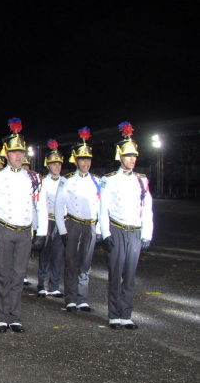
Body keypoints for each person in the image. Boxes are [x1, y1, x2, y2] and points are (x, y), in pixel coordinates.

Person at [0, 119, 47, 333]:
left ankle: (14, 315)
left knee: (19, 275)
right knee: (2, 274)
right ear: (7, 155)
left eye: (21, 153)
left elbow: (40, 206)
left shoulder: (34, 178)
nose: (19, 157)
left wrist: (42, 232)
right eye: (14, 153)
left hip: (24, 232)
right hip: (3, 229)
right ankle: (1, 316)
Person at [99, 123, 153, 330]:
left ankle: (126, 314)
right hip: (118, 229)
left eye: (135, 156)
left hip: (135, 232)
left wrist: (147, 234)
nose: (132, 159)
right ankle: (114, 314)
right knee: (115, 273)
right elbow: (103, 209)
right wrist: (105, 233)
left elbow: (147, 209)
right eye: (129, 156)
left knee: (130, 275)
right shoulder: (109, 180)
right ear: (120, 156)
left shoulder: (142, 180)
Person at [55, 128, 100, 312]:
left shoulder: (97, 181)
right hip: (72, 224)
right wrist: (63, 230)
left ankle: (82, 297)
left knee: (85, 263)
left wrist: (98, 230)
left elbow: (99, 206)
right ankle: (71, 298)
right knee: (72, 261)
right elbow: (59, 207)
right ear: (76, 160)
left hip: (89, 226)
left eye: (88, 159)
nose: (86, 163)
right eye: (82, 159)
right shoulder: (67, 181)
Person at [37, 140, 65, 298]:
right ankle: (41, 284)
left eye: (59, 164)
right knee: (45, 254)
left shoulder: (65, 182)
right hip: (47, 220)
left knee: (58, 254)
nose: (57, 167)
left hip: (61, 221)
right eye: (54, 164)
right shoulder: (43, 182)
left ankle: (54, 285)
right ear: (48, 165)